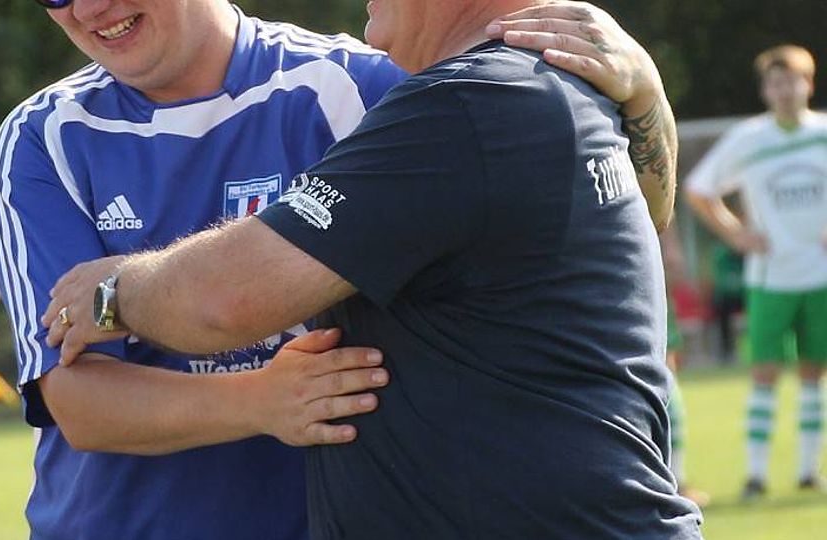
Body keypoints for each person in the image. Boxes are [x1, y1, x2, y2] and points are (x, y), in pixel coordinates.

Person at [44, 0, 704, 538]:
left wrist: (111, 293)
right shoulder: (555, 85)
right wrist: (649, 103)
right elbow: (651, 215)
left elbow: (226, 299)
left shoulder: (468, 102)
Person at [686, 44, 827, 499]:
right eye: (776, 83)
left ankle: (808, 472)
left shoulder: (823, 134)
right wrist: (736, 234)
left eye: (793, 81)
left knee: (814, 374)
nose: (785, 91)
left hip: (820, 276)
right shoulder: (749, 139)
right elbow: (698, 189)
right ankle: (756, 476)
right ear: (765, 90)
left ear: (809, 84)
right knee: (765, 373)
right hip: (771, 277)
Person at [660, 223, 710, 508]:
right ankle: (673, 480)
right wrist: (671, 248)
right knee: (666, 380)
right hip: (637, 282)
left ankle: (672, 477)